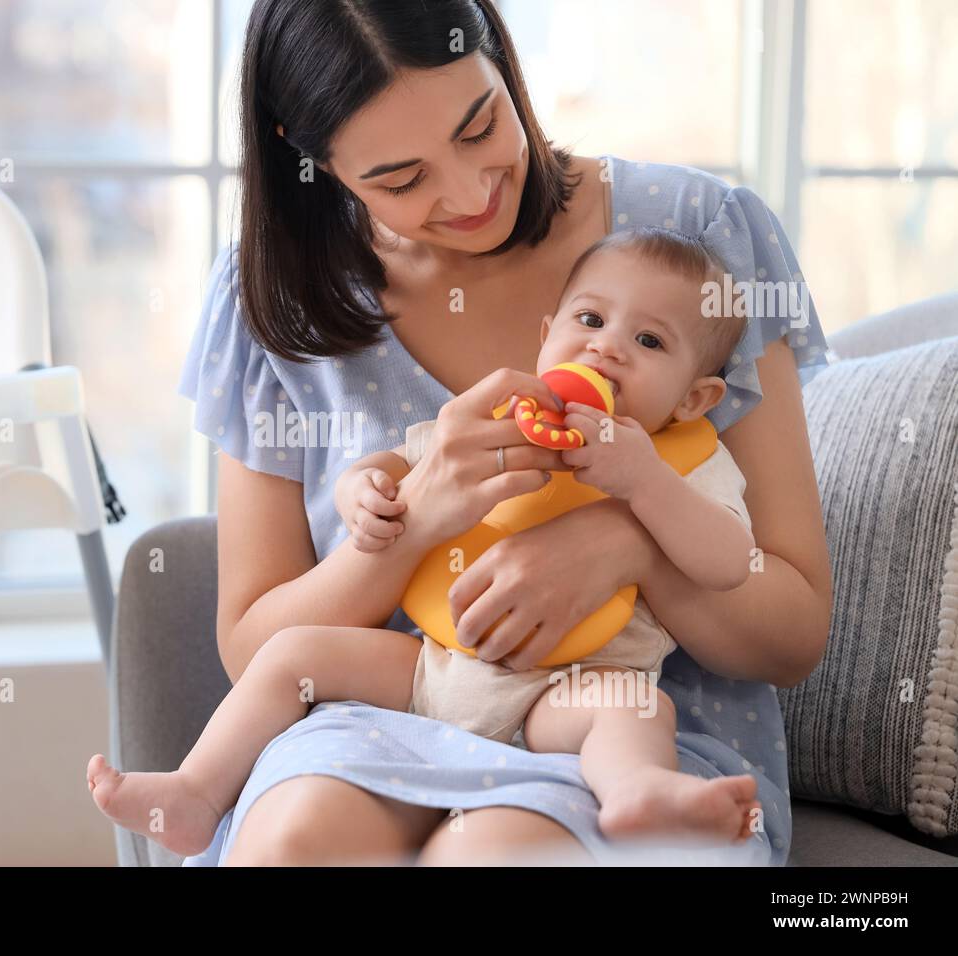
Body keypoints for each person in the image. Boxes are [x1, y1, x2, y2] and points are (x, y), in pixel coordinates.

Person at [172, 0, 831, 865]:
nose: (470, 193)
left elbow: (793, 633)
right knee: (296, 845)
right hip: (379, 722)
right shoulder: (276, 298)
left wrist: (628, 542)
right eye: (401, 180)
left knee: (495, 855)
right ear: (310, 157)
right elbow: (257, 647)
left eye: (482, 126)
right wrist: (410, 524)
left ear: (500, 59)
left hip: (621, 737)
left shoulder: (693, 240)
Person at [89, 226, 766, 856]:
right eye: (589, 320)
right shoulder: (499, 417)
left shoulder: (685, 463)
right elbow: (405, 464)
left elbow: (729, 561)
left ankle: (633, 791)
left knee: (640, 710)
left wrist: (645, 484)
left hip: (567, 693)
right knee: (295, 652)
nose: (607, 347)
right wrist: (365, 487)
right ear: (545, 336)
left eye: (650, 343)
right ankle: (198, 790)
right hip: (435, 669)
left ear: (693, 400)